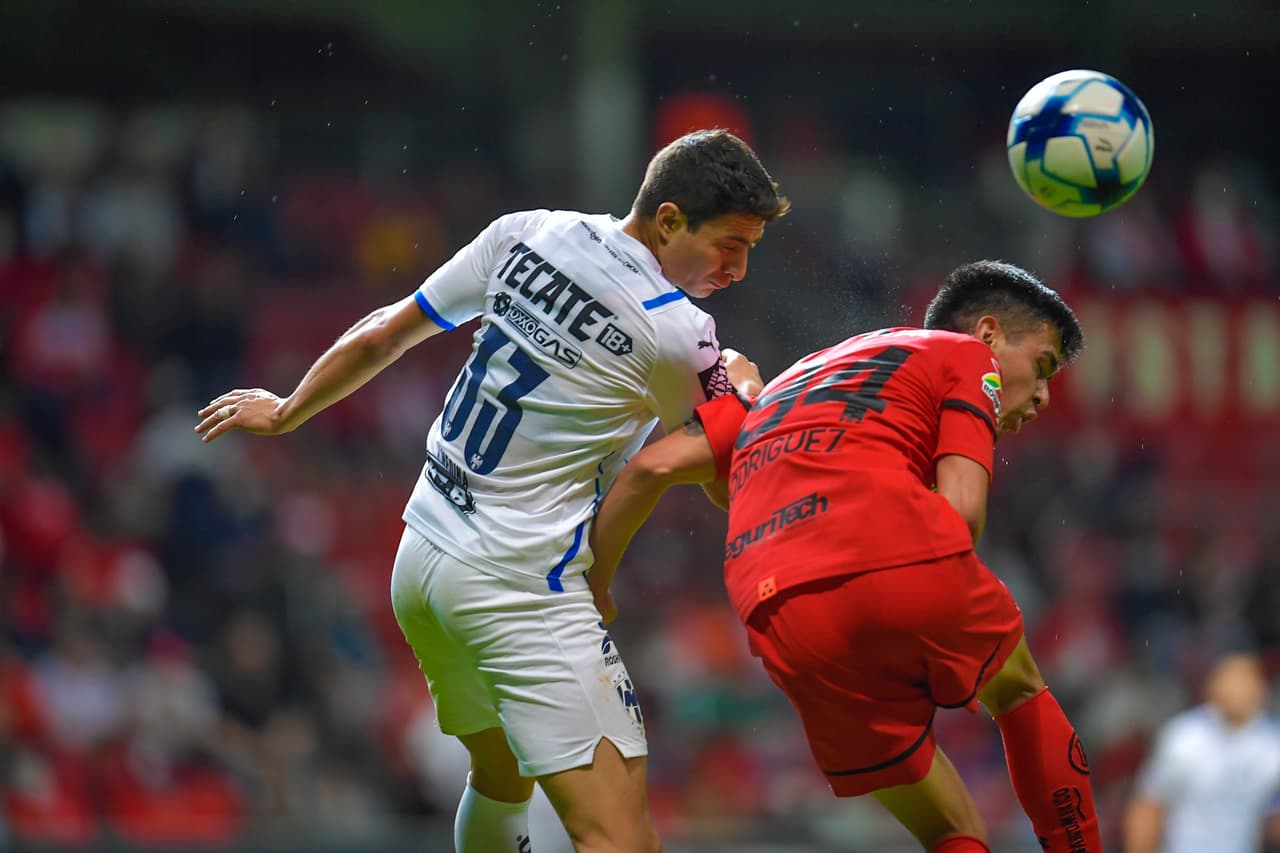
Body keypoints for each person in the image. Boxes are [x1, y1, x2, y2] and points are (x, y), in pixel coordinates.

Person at [195, 128, 789, 853]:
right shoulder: (678, 330)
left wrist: (289, 408)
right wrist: (746, 381)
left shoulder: (528, 232)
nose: (739, 269)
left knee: (502, 775)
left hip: (423, 562)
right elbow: (731, 483)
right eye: (730, 245)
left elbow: (388, 331)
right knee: (618, 835)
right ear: (668, 220)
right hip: (518, 587)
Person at [587, 260, 1101, 852]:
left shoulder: (785, 386)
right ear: (987, 334)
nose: (1040, 397)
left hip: (770, 604)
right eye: (1040, 368)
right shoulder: (964, 357)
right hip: (888, 549)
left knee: (952, 829)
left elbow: (657, 470)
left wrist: (597, 587)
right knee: (1015, 690)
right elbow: (961, 514)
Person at [1125, 645, 1280, 853]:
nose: (1236, 688)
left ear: (1262, 689)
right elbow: (1148, 807)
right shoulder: (1183, 738)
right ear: (1213, 684)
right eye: (1229, 678)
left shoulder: (1272, 745)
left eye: (1245, 679)